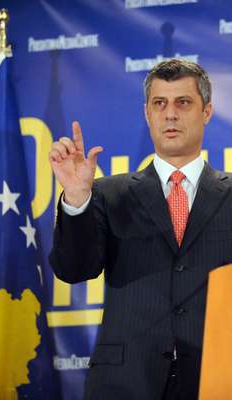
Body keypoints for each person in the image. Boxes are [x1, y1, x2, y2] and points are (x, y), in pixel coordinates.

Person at [49, 59, 232, 400]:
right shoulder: (106, 194)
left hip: (217, 379)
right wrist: (75, 198)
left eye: (183, 103)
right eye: (159, 104)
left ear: (206, 112)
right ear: (147, 114)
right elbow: (74, 270)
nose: (171, 114)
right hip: (125, 382)